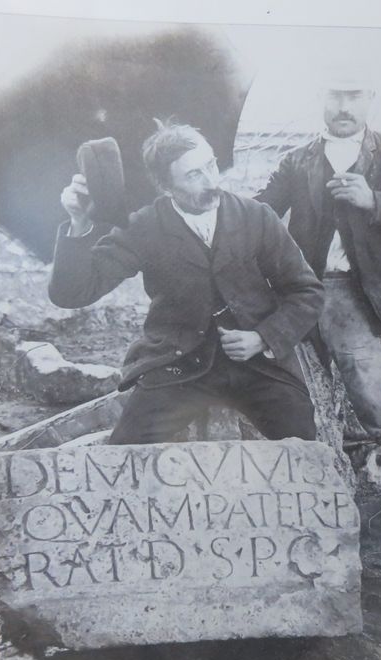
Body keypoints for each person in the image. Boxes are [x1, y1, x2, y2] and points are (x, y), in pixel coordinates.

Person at [49, 121, 325, 444]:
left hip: (258, 365)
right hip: (178, 366)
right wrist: (78, 221)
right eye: (194, 175)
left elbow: (307, 292)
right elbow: (72, 293)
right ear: (166, 186)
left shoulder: (256, 217)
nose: (211, 182)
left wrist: (262, 337)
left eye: (211, 166)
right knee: (126, 447)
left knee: (301, 443)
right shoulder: (144, 226)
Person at [255, 74, 381, 534]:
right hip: (301, 293)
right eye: (336, 95)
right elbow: (260, 210)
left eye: (355, 95)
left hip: (359, 296)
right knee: (296, 397)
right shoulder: (298, 159)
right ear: (321, 98)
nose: (344, 106)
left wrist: (375, 201)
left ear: (371, 98)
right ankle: (315, 504)